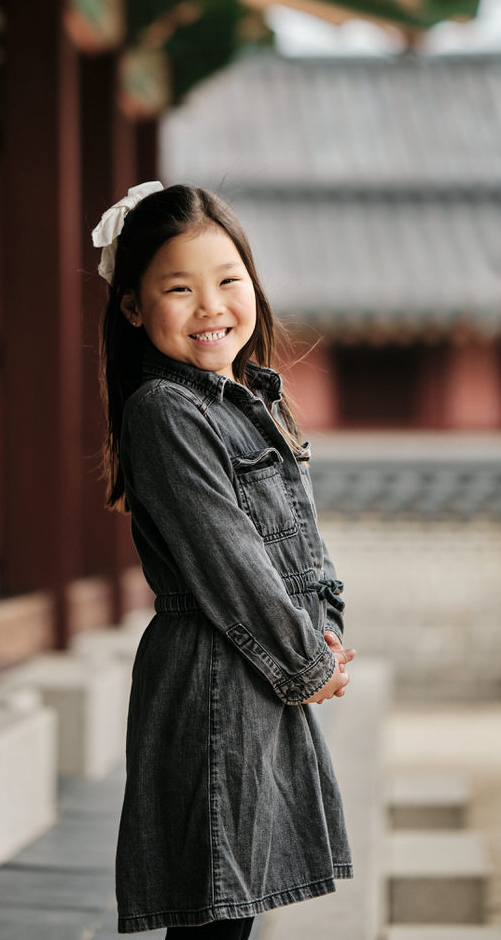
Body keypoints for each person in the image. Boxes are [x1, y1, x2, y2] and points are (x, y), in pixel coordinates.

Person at [92, 182, 355, 938]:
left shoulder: (245, 398)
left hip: (256, 673)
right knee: (214, 913)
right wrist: (307, 663)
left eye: (227, 280)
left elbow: (301, 539)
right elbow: (230, 559)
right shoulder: (165, 410)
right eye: (179, 288)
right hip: (213, 678)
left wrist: (326, 631)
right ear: (134, 307)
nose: (211, 307)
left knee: (228, 909)